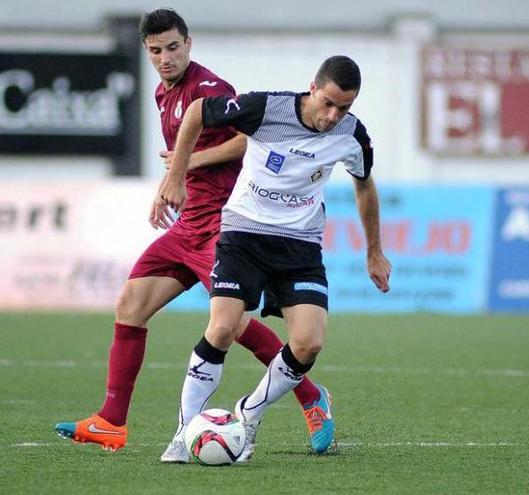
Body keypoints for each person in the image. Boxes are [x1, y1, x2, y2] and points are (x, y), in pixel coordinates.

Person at [54, 8, 332, 462]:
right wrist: (169, 191)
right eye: (155, 51)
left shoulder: (210, 89)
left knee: (233, 325)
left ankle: (312, 399)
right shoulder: (165, 94)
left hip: (222, 226)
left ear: (189, 43)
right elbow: (179, 162)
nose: (165, 58)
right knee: (130, 305)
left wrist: (185, 167)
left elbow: (249, 139)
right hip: (187, 226)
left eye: (173, 48)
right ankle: (111, 420)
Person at [156, 55, 391, 463]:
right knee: (223, 327)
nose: (334, 115)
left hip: (300, 244)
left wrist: (374, 251)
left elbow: (365, 186)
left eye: (345, 108)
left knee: (309, 342)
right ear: (312, 88)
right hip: (244, 233)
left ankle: (250, 412)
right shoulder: (266, 108)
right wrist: (176, 175)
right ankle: (183, 432)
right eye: (329, 103)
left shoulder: (353, 136)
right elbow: (197, 112)